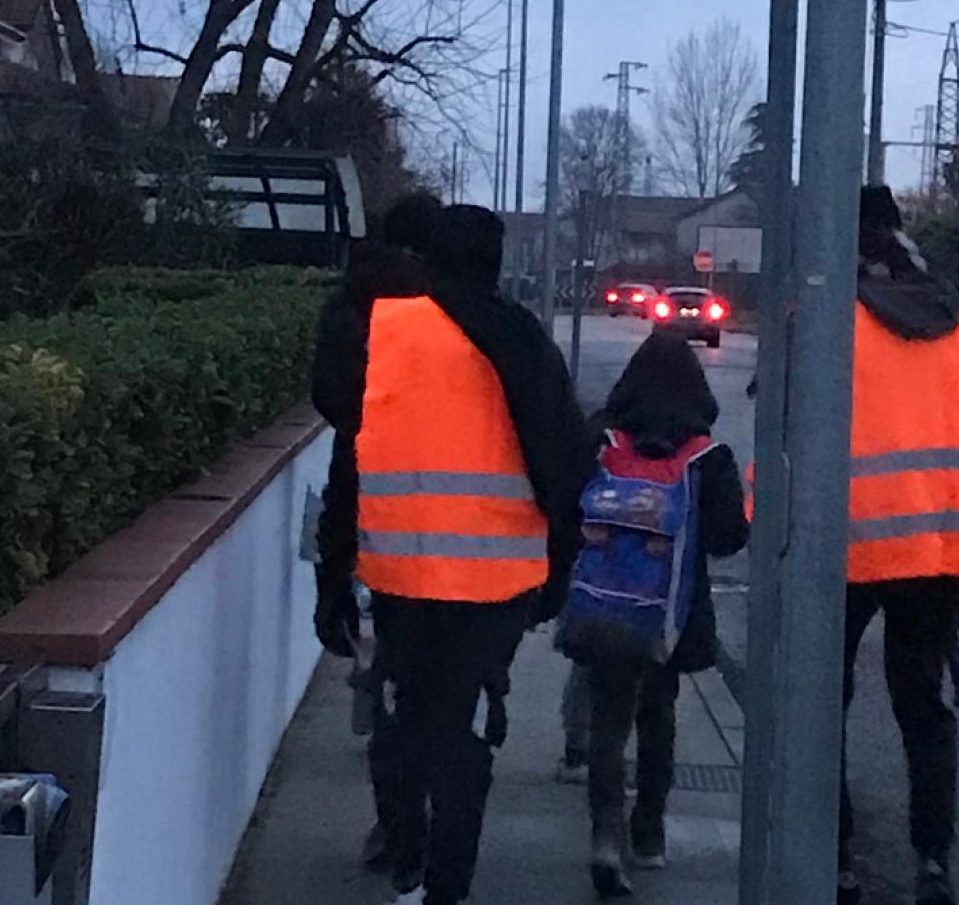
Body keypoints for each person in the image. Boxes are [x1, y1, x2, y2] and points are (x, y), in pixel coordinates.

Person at [313, 203, 592, 905]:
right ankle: (448, 886)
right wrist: (560, 569)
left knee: (405, 721)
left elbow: (353, 461)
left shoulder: (390, 333)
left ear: (429, 261)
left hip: (399, 574)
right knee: (458, 733)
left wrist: (333, 574)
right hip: (498, 584)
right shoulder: (525, 341)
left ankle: (408, 870)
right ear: (498, 265)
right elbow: (564, 466)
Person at [836, 186, 959, 905]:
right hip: (938, 547)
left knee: (821, 702)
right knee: (923, 707)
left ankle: (833, 851)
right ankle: (933, 858)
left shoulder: (832, 320)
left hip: (843, 544)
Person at [560, 332, 749, 899]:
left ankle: (603, 834)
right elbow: (727, 539)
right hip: (669, 615)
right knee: (659, 718)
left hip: (602, 605)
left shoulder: (601, 440)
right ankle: (648, 834)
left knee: (609, 720)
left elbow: (570, 511)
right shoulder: (707, 457)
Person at [312, 192, 439, 875]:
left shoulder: (351, 304)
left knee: (382, 674)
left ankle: (393, 821)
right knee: (434, 690)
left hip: (362, 506)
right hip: (441, 521)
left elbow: (330, 399)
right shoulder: (446, 309)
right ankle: (421, 818)